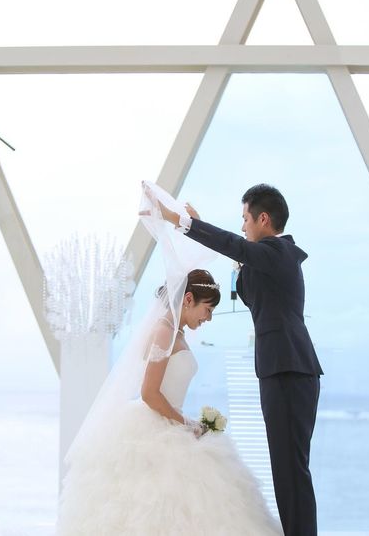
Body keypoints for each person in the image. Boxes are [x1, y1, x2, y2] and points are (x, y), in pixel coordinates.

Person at [56, 184, 282, 536]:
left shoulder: (175, 333)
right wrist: (187, 424)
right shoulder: (164, 331)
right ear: (188, 299)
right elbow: (149, 393)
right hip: (155, 428)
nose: (208, 318)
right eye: (207, 310)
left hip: (169, 421)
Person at [156, 182, 323, 536]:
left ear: (263, 219)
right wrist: (235, 254)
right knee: (285, 469)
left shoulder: (280, 252)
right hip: (281, 369)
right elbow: (246, 286)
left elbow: (236, 245)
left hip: (289, 368)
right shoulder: (269, 262)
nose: (243, 226)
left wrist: (187, 224)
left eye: (245, 218)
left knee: (291, 470)